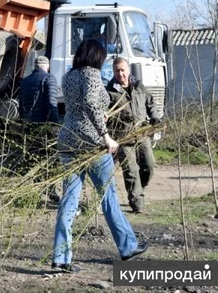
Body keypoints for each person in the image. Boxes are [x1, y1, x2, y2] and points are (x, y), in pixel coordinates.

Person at [52, 39, 147, 273]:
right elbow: (91, 105)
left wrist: (99, 115)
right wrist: (105, 136)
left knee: (69, 201)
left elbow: (79, 107)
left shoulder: (68, 76)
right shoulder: (92, 75)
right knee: (108, 198)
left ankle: (60, 257)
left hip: (68, 141)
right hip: (92, 144)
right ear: (96, 57)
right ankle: (127, 247)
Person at [106, 57, 162, 214]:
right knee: (131, 171)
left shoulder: (139, 86)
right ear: (113, 71)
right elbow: (104, 113)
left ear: (128, 70)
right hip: (123, 138)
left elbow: (150, 103)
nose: (120, 74)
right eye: (117, 71)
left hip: (142, 134)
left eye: (123, 70)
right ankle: (137, 204)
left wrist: (155, 117)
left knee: (149, 166)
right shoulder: (110, 91)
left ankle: (139, 191)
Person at [19, 55, 60, 201]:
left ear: (35, 66)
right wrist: (56, 124)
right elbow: (51, 103)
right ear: (47, 66)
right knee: (50, 159)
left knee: (33, 159)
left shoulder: (24, 82)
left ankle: (36, 190)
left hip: (29, 127)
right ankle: (51, 189)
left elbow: (21, 106)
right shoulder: (49, 79)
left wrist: (24, 123)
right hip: (45, 126)